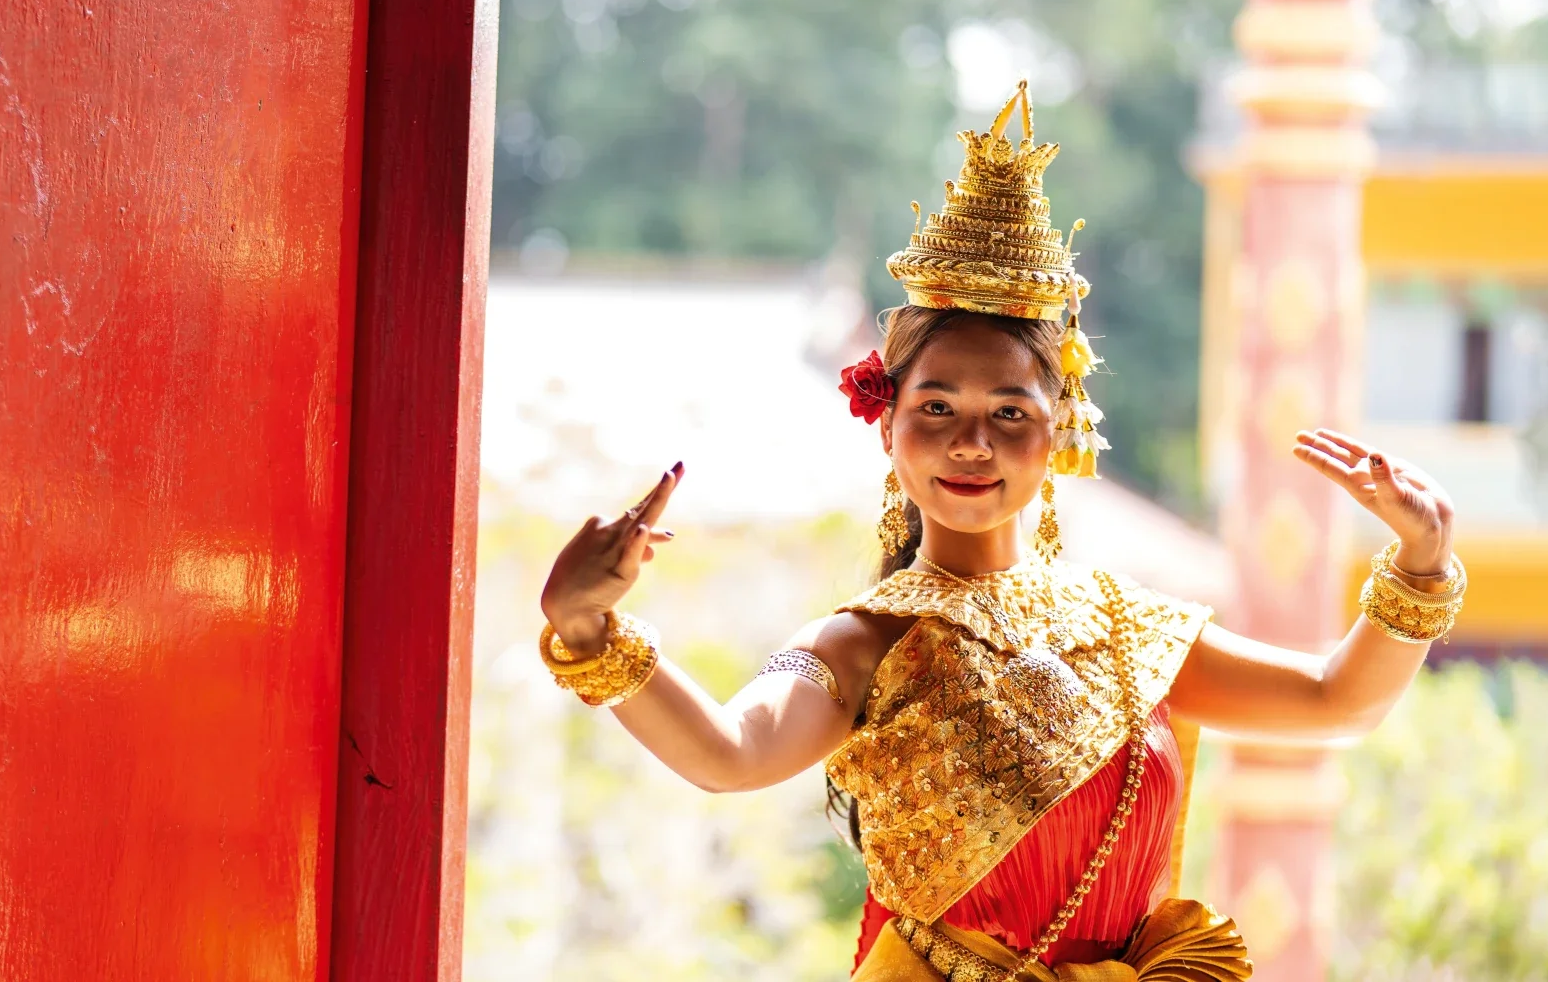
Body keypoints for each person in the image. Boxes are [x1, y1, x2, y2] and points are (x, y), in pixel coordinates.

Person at [536, 82, 1465, 982]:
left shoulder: (1132, 633)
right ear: (889, 426)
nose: (971, 442)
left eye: (1009, 412)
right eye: (937, 407)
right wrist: (590, 632)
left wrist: (1422, 565)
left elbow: (1338, 700)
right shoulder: (859, 643)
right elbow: (730, 752)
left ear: (1058, 432)